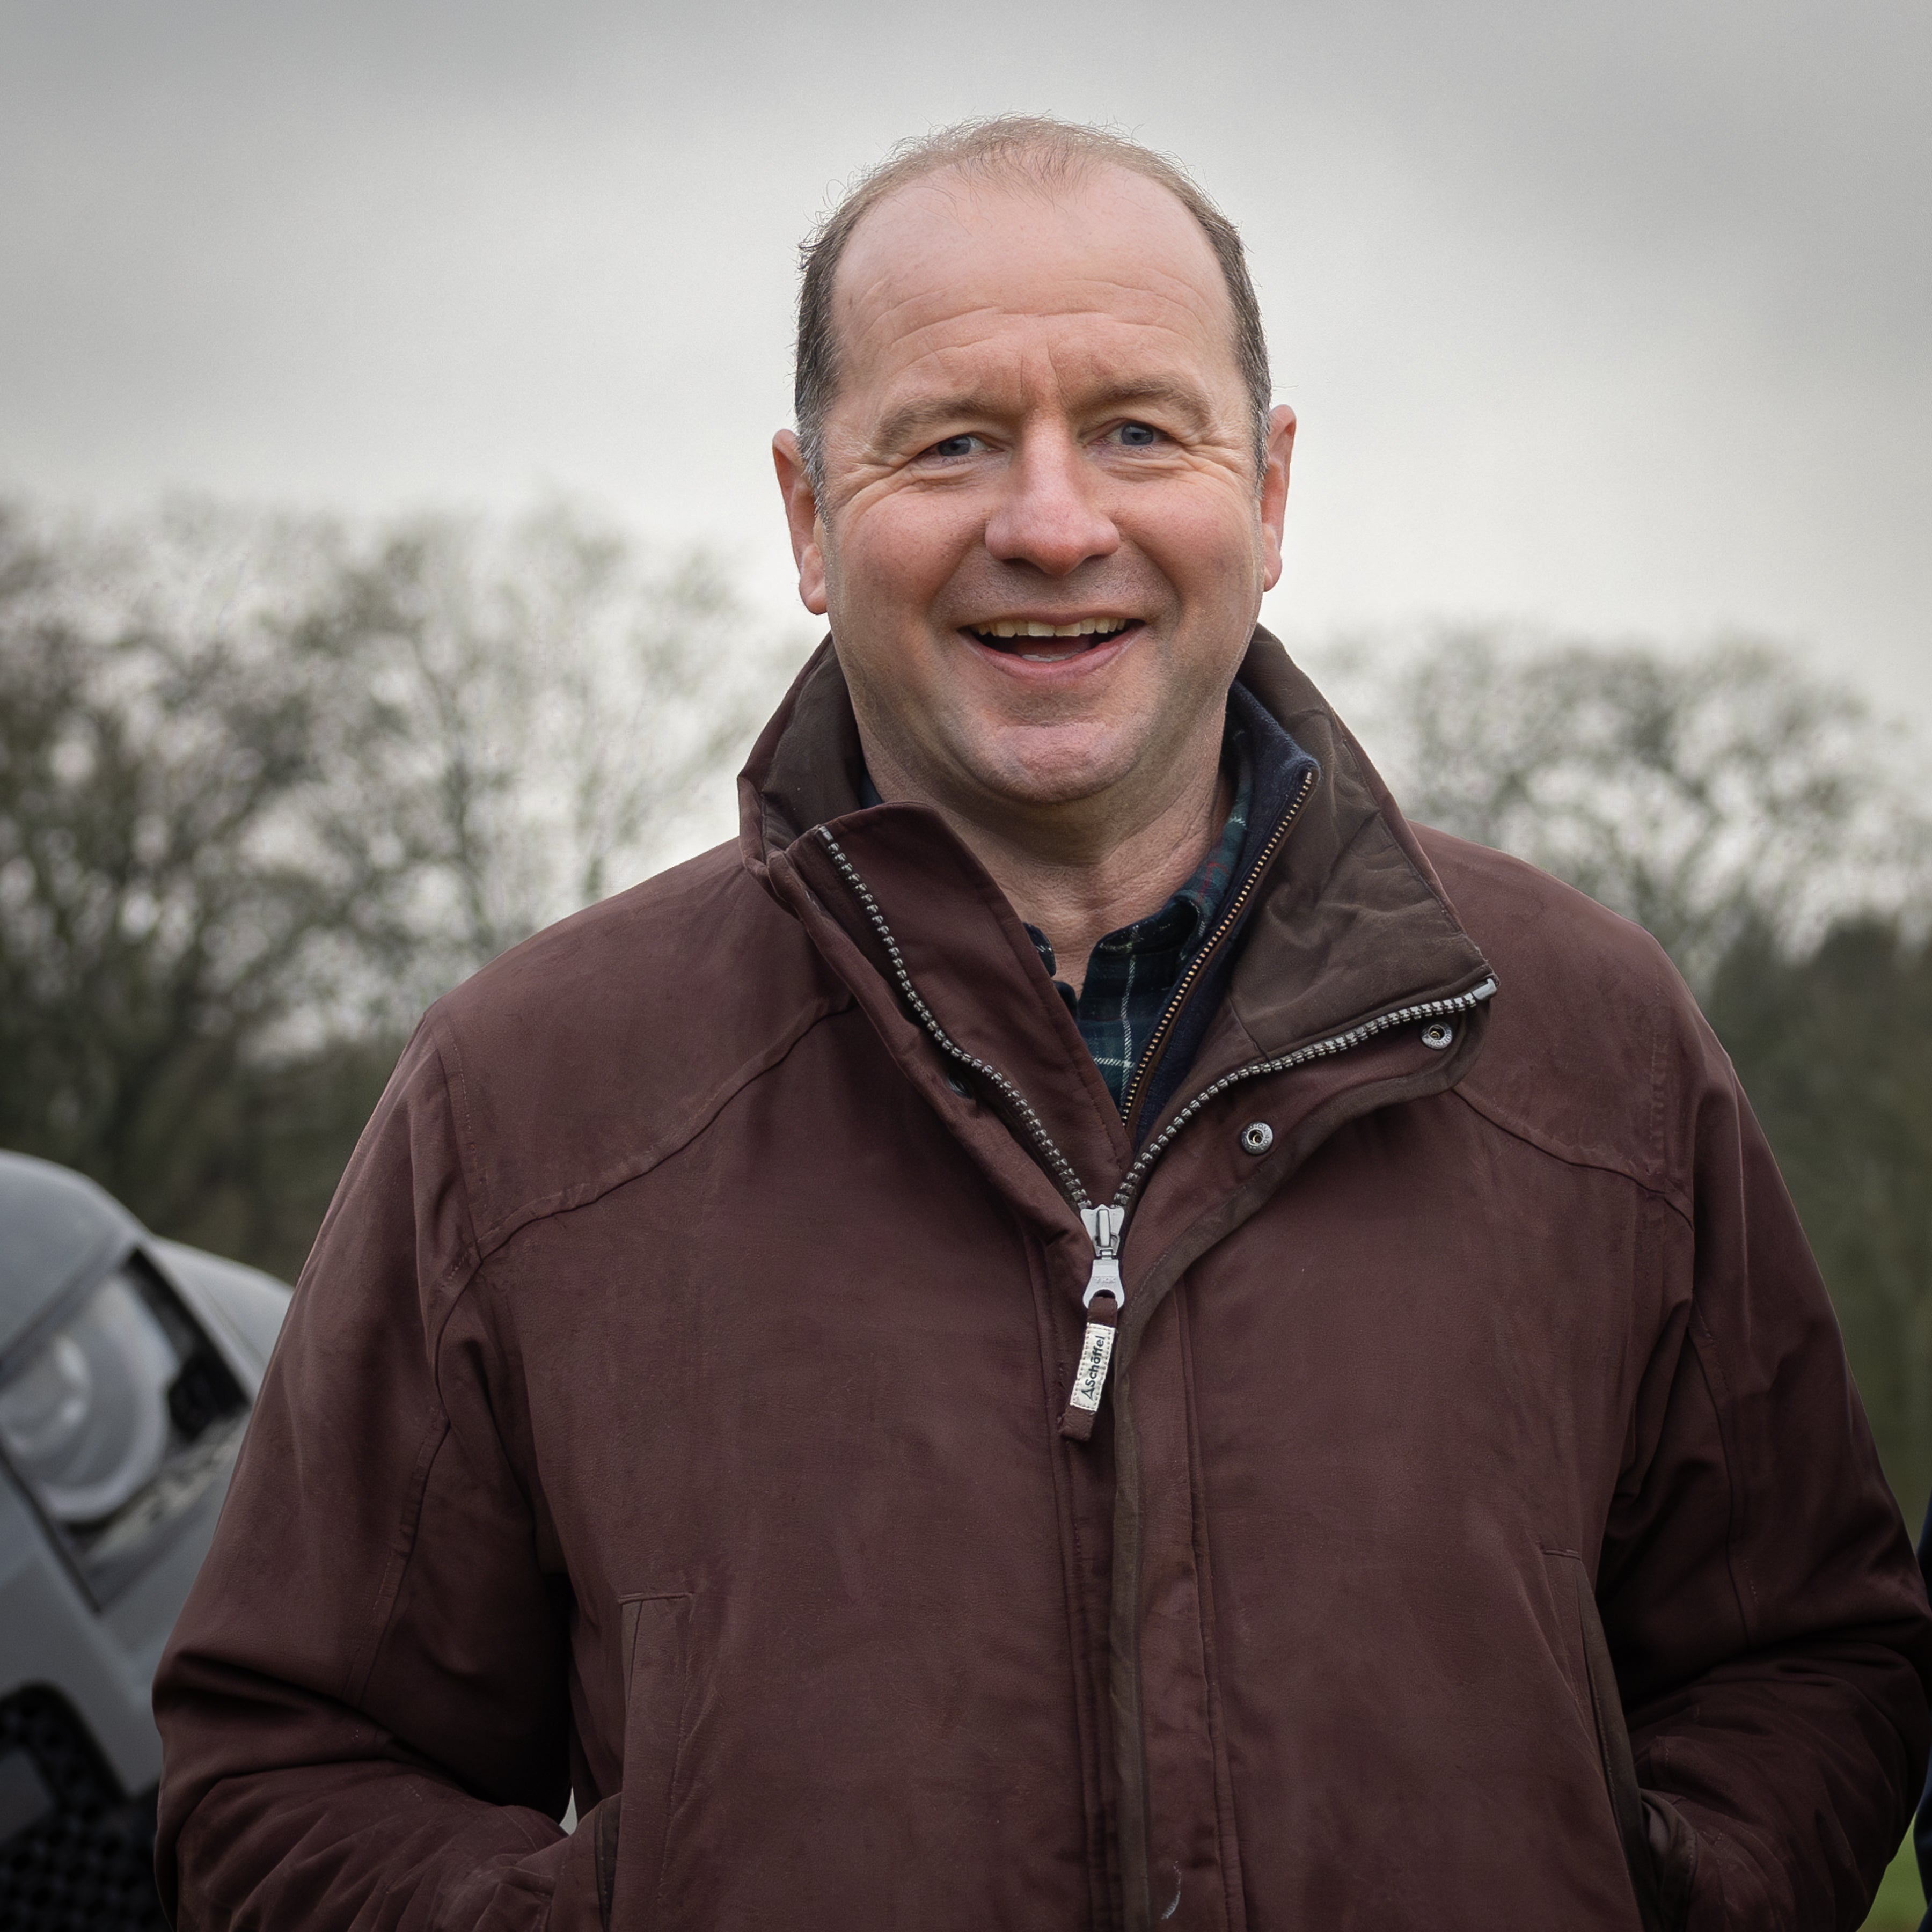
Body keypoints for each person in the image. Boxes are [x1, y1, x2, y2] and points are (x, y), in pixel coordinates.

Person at [153, 116, 1931, 1931]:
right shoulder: (528, 1099)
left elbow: (1810, 1663)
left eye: (1141, 432)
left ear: (1272, 491)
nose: (1055, 522)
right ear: (808, 516)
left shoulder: (1591, 1045)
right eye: (953, 442)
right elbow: (291, 1765)